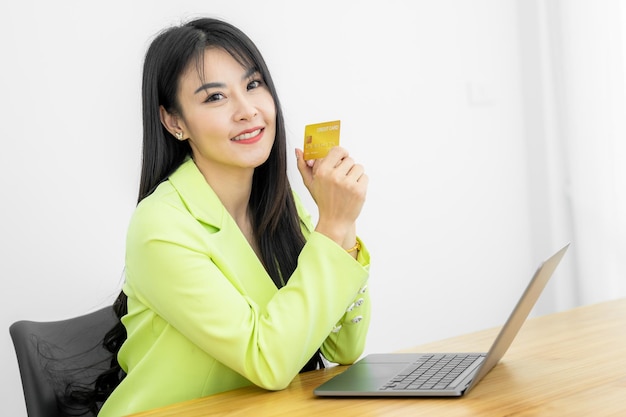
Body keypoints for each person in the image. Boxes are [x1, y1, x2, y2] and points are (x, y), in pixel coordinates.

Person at [85, 17, 370, 416]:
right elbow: (268, 361)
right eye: (215, 97)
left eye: (253, 85)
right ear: (174, 122)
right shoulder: (160, 226)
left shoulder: (278, 201)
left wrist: (342, 222)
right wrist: (333, 225)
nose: (247, 110)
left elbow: (345, 347)